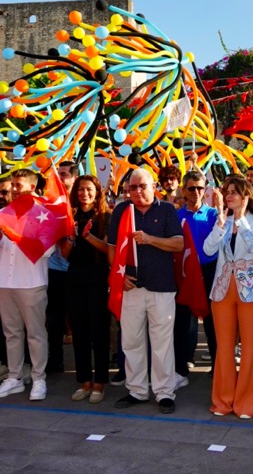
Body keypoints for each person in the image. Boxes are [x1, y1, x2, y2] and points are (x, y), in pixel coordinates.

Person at [109, 168, 184, 414]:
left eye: (142, 186)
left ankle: (164, 393)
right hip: (131, 287)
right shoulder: (122, 210)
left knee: (162, 343)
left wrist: (150, 239)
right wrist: (119, 275)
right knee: (131, 341)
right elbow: (112, 247)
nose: (138, 191)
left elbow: (179, 243)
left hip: (161, 287)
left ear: (154, 187)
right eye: (133, 187)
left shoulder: (167, 210)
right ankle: (137, 390)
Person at [0, 169, 56, 402]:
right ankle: (14, 377)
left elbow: (46, 250)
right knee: (11, 333)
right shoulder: (1, 214)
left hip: (31, 282)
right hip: (4, 281)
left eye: (19, 185)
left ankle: (38, 379)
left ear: (32, 187)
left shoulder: (44, 214)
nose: (15, 189)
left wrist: (15, 235)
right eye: (13, 185)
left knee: (35, 333)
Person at [205, 174, 253, 419]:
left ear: (245, 196)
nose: (228, 195)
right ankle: (223, 400)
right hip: (222, 291)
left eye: (233, 192)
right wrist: (221, 226)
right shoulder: (222, 220)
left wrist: (240, 221)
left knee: (250, 348)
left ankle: (247, 403)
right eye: (226, 191)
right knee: (224, 347)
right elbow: (207, 249)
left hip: (250, 290)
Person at [62, 175, 111, 404]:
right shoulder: (69, 215)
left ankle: (99, 382)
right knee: (79, 331)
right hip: (74, 278)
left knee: (99, 332)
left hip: (98, 278)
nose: (85, 193)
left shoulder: (105, 217)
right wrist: (72, 238)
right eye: (81, 189)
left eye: (89, 189)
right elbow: (64, 253)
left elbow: (109, 250)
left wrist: (88, 237)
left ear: (97, 192)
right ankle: (84, 381)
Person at [178, 170, 220, 375]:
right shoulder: (176, 216)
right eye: (191, 188)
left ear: (205, 190)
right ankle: (184, 362)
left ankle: (217, 365)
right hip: (186, 274)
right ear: (183, 190)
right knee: (185, 320)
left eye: (200, 188)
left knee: (213, 321)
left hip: (210, 272)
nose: (196, 192)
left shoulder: (214, 215)